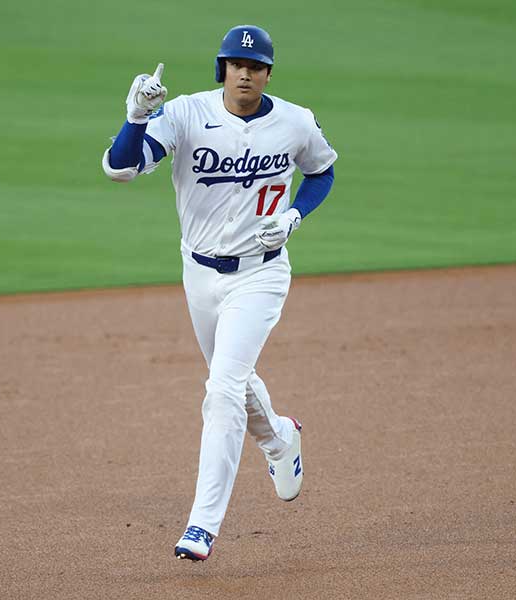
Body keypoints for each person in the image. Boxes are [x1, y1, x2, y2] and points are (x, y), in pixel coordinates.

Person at [101, 24, 337, 562]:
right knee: (233, 380)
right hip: (200, 276)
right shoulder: (185, 113)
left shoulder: (295, 122)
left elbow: (322, 171)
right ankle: (279, 438)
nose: (246, 73)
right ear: (222, 70)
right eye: (236, 64)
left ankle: (202, 526)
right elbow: (120, 169)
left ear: (268, 73)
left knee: (222, 390)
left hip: (262, 275)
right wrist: (136, 118)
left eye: (255, 66)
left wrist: (295, 216)